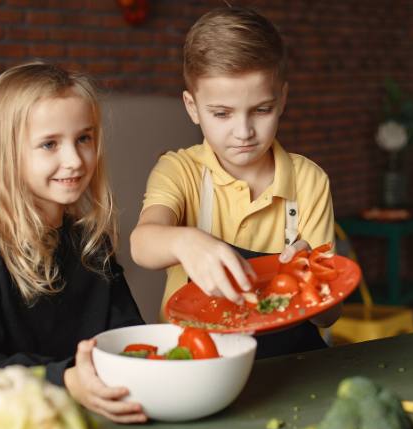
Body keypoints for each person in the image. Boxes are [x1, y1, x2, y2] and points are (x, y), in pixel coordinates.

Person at [0, 62, 147, 423]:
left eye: (84, 138)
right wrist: (65, 380)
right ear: (7, 154)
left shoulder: (91, 242)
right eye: (49, 144)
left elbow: (130, 340)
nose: (75, 160)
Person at [130, 6, 339, 359]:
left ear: (282, 99)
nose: (243, 132)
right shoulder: (180, 171)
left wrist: (311, 281)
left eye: (261, 110)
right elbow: (142, 243)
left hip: (289, 364)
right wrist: (186, 240)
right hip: (198, 362)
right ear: (192, 107)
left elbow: (332, 316)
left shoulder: (309, 181)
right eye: (222, 114)